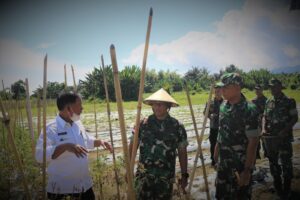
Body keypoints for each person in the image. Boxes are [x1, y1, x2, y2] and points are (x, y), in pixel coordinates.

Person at [35, 92, 113, 200]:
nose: (82, 108)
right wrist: (65, 146)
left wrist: (100, 141)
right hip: (62, 190)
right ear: (68, 108)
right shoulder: (50, 129)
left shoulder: (78, 124)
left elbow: (86, 140)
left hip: (85, 186)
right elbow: (40, 155)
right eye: (79, 105)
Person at [129, 88, 188, 200]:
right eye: (155, 104)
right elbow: (132, 146)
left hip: (164, 179)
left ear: (168, 107)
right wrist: (128, 169)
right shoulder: (142, 124)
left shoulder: (177, 127)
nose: (156, 107)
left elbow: (182, 152)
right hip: (144, 176)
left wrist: (184, 175)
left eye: (160, 104)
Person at [214, 73, 260, 200]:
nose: (222, 90)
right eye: (221, 87)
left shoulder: (249, 110)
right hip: (223, 163)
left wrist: (247, 170)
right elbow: (221, 131)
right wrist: (216, 152)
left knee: (240, 195)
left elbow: (253, 142)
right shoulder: (223, 106)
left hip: (239, 164)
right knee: (221, 195)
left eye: (225, 87)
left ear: (237, 87)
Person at [262, 78, 298, 198]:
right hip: (271, 139)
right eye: (270, 87)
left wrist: (284, 131)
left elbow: (294, 118)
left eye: (274, 86)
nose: (271, 89)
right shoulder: (269, 101)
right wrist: (263, 128)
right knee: (273, 163)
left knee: (286, 163)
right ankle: (278, 188)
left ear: (279, 87)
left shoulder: (289, 101)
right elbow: (265, 117)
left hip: (284, 138)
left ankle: (287, 188)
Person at [204, 83, 223, 166]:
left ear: (221, 92)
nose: (217, 93)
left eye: (218, 91)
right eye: (215, 91)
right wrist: (209, 115)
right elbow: (205, 112)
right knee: (213, 144)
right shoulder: (210, 102)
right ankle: (213, 160)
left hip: (223, 128)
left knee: (223, 144)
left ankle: (222, 160)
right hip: (213, 127)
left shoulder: (225, 102)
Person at [251, 85, 267, 159]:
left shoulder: (266, 100)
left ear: (262, 90)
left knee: (265, 140)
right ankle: (256, 155)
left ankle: (266, 154)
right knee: (255, 140)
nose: (257, 91)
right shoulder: (253, 101)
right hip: (255, 124)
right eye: (256, 90)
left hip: (264, 124)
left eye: (258, 89)